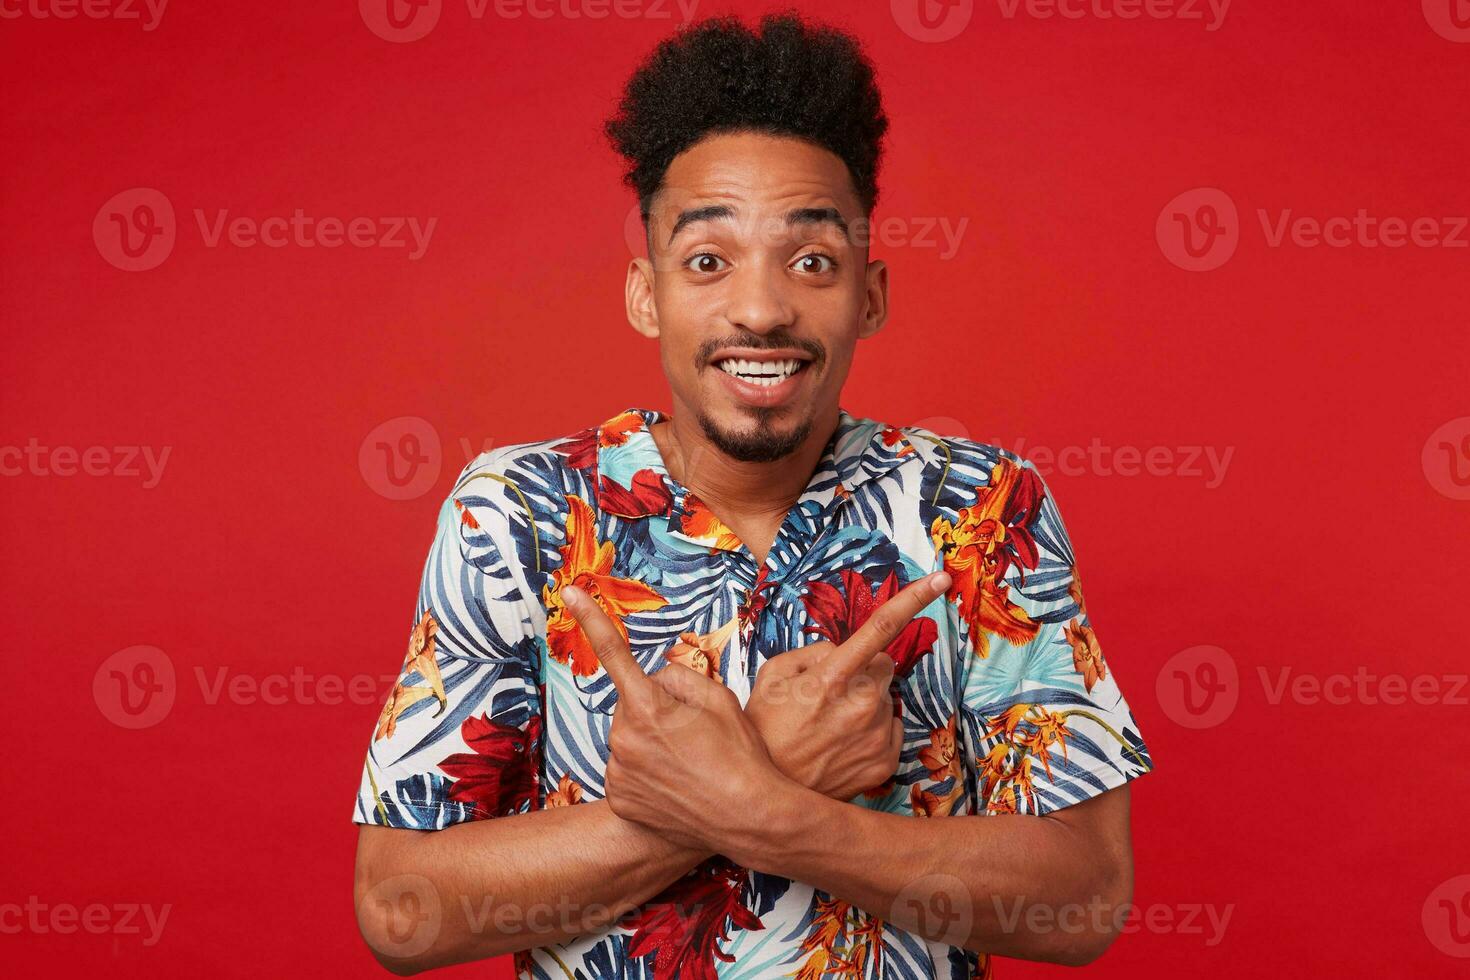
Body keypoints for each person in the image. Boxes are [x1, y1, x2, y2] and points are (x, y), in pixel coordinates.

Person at [352, 11, 1153, 978]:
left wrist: (770, 813)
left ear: (871, 294)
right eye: (708, 260)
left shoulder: (982, 508)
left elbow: (1083, 899)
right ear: (647, 293)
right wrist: (770, 782)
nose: (763, 308)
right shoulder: (519, 512)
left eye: (812, 261)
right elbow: (400, 910)